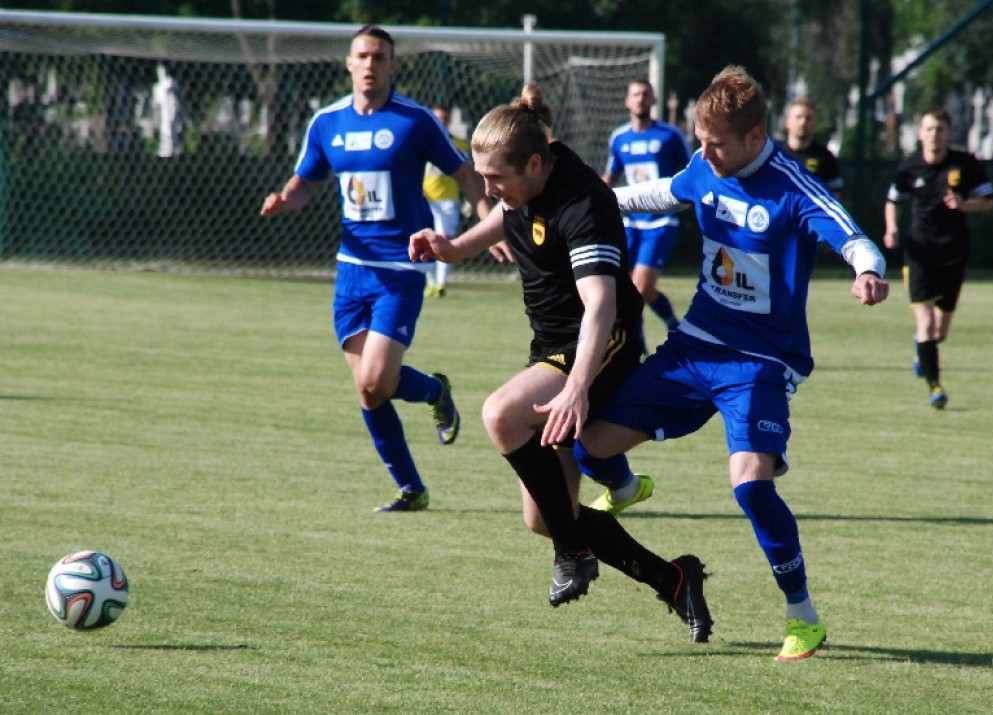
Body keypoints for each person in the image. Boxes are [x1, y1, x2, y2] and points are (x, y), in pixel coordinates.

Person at [572, 66, 890, 661]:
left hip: (761, 363)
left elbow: (852, 236)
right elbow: (660, 192)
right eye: (701, 140)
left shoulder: (791, 184)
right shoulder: (705, 166)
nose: (706, 153)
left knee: (751, 487)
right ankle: (625, 486)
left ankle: (803, 616)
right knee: (586, 447)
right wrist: (590, 200)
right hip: (695, 346)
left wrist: (867, 270)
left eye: (716, 143)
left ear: (754, 136)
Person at [410, 84, 713, 643]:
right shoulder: (527, 182)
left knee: (500, 413)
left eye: (495, 178)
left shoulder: (582, 202)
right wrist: (453, 248)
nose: (486, 189)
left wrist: (576, 387)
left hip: (602, 345)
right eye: (481, 176)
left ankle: (572, 552)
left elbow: (600, 307)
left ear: (533, 164)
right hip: (552, 347)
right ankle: (673, 579)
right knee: (545, 515)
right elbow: (508, 215)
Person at [260, 25, 491, 512]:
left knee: (378, 380)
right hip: (351, 271)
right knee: (369, 391)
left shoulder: (414, 120)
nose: (370, 64)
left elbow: (464, 173)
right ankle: (412, 489)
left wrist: (491, 224)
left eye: (379, 57)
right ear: (349, 63)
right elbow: (306, 182)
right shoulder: (327, 122)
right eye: (362, 56)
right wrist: (285, 200)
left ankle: (434, 391)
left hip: (401, 268)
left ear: (392, 65)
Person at [883, 107, 993, 409]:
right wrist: (891, 228)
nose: (934, 134)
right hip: (919, 254)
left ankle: (922, 349)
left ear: (948, 133)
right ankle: (935, 386)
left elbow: (987, 201)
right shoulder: (909, 167)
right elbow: (893, 200)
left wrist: (964, 204)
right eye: (929, 129)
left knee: (940, 331)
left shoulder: (965, 164)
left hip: (954, 253)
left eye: (940, 129)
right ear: (921, 133)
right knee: (926, 324)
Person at [603, 77, 692, 348]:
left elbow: (692, 170)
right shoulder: (619, 138)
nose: (640, 99)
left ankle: (637, 344)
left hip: (661, 221)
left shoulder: (670, 135)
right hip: (630, 223)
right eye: (635, 94)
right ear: (627, 101)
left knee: (640, 288)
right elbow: (611, 175)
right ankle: (674, 327)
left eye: (645, 94)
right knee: (631, 288)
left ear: (654, 99)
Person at [422, 105, 469, 298]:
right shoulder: (422, 141)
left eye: (444, 118)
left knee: (444, 240)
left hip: (448, 199)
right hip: (426, 198)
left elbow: (468, 173)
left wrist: (469, 200)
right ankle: (430, 282)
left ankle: (440, 283)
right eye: (437, 117)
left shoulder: (459, 144)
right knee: (425, 241)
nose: (441, 121)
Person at [778, 98, 844, 197]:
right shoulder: (774, 154)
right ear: (787, 122)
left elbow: (836, 192)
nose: (803, 122)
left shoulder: (825, 157)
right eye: (798, 117)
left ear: (814, 123)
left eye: (808, 118)